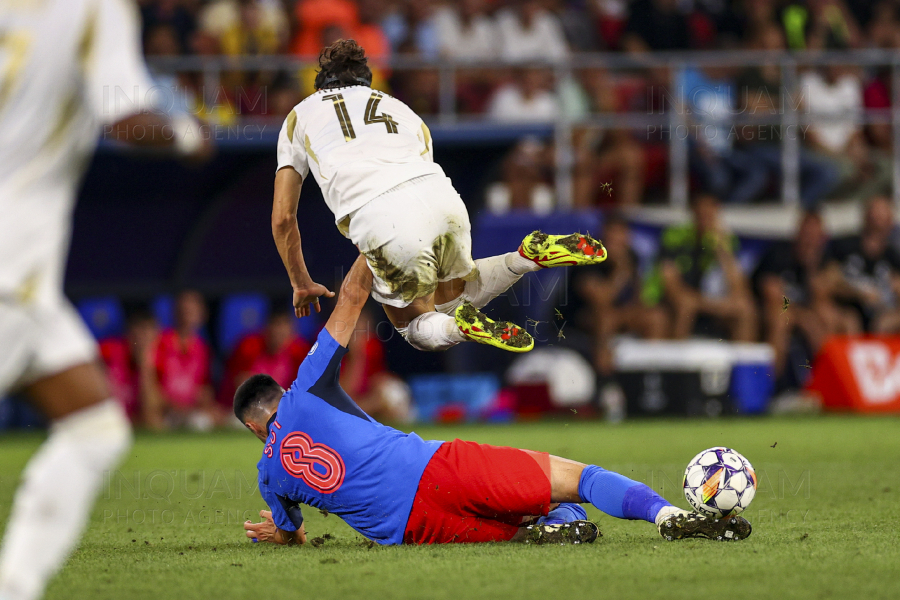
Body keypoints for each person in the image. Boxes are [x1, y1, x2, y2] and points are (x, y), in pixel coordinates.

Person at [238, 257, 752, 546]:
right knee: (579, 480)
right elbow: (351, 295)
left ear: (256, 430)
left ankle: (546, 529)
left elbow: (292, 535)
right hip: (434, 466)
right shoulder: (304, 388)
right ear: (280, 394)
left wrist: (282, 533)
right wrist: (375, 233)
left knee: (528, 528)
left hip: (412, 530)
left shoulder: (268, 474)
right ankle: (665, 518)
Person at [0, 1, 208, 598]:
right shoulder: (94, 6)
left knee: (95, 429)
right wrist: (189, 133)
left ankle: (17, 584)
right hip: (10, 269)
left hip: (28, 293)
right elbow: (126, 119)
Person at [272, 39, 608, 355]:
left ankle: (462, 327)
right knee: (452, 297)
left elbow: (284, 218)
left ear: (320, 85)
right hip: (442, 198)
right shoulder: (401, 109)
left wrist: (300, 281)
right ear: (368, 82)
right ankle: (525, 257)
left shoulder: (300, 114)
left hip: (379, 213)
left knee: (412, 325)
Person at [753, 211, 860, 380]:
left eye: (815, 236)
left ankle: (844, 380)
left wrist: (811, 269)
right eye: (807, 234)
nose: (810, 241)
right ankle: (769, 384)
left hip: (805, 312)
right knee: (782, 319)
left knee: (833, 316)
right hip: (771, 310)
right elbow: (774, 296)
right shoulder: (779, 253)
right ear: (798, 233)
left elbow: (823, 294)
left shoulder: (822, 260)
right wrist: (798, 312)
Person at [558, 214, 668, 375]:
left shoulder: (632, 256)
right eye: (612, 236)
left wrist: (635, 311)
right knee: (605, 317)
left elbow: (638, 298)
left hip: (619, 312)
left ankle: (651, 372)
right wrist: (621, 271)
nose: (616, 242)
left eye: (621, 236)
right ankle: (604, 374)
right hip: (582, 316)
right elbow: (600, 300)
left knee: (656, 316)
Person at [644, 194, 758, 341]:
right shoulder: (674, 235)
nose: (705, 219)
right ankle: (678, 361)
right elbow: (671, 286)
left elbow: (739, 289)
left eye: (709, 215)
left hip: (707, 303)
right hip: (674, 302)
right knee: (685, 306)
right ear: (693, 213)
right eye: (701, 214)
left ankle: (744, 362)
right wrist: (702, 303)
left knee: (746, 309)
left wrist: (721, 249)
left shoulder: (726, 240)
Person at [824, 195, 900, 332]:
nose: (878, 223)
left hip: (882, 316)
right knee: (848, 321)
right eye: (875, 217)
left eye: (883, 218)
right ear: (866, 218)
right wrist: (859, 293)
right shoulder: (844, 246)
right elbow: (827, 283)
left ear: (890, 223)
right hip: (847, 311)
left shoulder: (893, 256)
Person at [147, 290, 216, 431]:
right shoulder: (160, 343)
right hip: (166, 413)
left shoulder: (202, 348)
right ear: (174, 313)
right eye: (183, 311)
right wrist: (175, 407)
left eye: (191, 311)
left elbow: (204, 389)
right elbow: (151, 387)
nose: (187, 316)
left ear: (202, 315)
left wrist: (204, 404)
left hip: (191, 412)